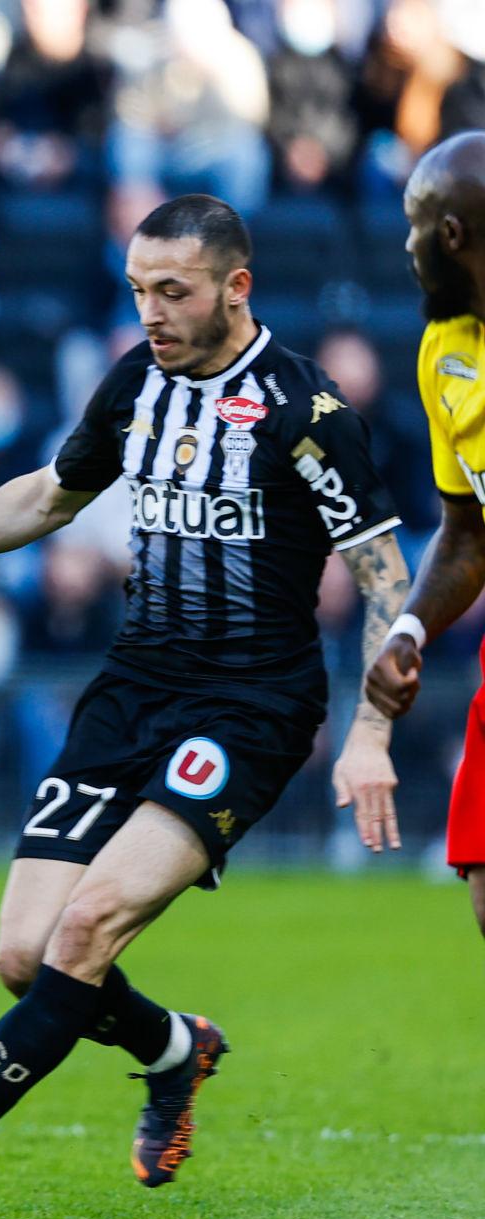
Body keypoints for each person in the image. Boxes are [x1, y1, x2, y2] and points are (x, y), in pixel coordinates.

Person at [0, 195, 411, 1219]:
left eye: (171, 291)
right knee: (22, 955)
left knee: (85, 925)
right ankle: (173, 1047)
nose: (149, 311)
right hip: (130, 685)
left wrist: (368, 731)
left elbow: (382, 579)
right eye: (137, 289)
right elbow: (50, 494)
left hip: (246, 708)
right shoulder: (134, 382)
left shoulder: (305, 414)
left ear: (235, 287)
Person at [364, 130, 485, 943]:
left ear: (449, 236)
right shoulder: (444, 350)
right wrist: (409, 627)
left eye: (412, 226)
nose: (405, 248)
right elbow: (468, 533)